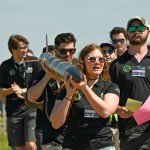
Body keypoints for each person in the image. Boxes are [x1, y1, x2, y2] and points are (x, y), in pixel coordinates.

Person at [50, 44, 120, 150]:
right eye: (92, 59)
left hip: (102, 145)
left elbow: (105, 112)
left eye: (101, 59)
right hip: (73, 145)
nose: (97, 62)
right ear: (83, 62)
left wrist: (84, 88)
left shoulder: (110, 87)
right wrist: (69, 94)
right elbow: (55, 123)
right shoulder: (69, 87)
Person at [27, 32, 77, 150]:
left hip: (77, 136)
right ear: (55, 51)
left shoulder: (80, 70)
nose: (68, 54)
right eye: (63, 51)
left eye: (71, 50)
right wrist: (48, 75)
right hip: (53, 138)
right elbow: (31, 97)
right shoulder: (44, 72)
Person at [109, 16, 150, 150]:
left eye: (140, 28)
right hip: (131, 132)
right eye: (132, 28)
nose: (136, 31)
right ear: (127, 34)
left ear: (148, 32)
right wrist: (118, 109)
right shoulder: (117, 65)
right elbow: (108, 97)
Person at [0, 34, 42, 150]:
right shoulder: (5, 66)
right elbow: (0, 91)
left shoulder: (34, 62)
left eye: (26, 47)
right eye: (22, 48)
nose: (25, 50)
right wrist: (11, 90)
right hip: (13, 111)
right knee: (19, 147)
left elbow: (40, 85)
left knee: (31, 144)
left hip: (31, 109)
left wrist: (22, 90)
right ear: (13, 49)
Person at [100, 42, 120, 150]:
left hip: (121, 125)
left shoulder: (122, 71)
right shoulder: (95, 74)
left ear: (115, 53)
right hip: (101, 128)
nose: (107, 54)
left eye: (110, 51)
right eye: (103, 52)